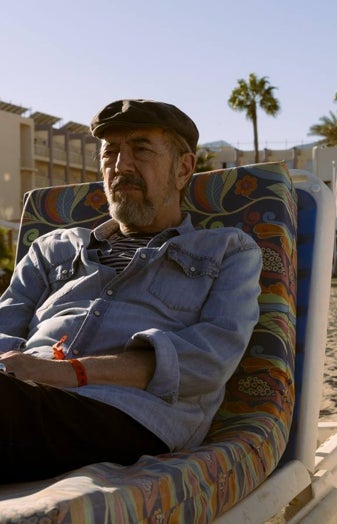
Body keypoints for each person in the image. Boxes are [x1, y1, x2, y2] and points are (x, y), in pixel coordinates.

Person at [0, 99, 262, 483]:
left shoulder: (227, 250)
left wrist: (68, 372)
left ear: (183, 168)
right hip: (23, 397)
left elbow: (210, 358)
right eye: (111, 153)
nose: (121, 166)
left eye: (141, 150)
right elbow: (5, 322)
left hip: (130, 414)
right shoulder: (53, 248)